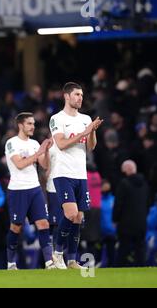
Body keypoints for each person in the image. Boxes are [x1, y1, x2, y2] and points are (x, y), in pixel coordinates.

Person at [49, 82, 103, 269]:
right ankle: (57, 254)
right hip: (63, 173)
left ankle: (72, 260)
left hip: (81, 174)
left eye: (82, 95)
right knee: (70, 214)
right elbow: (61, 144)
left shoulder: (86, 118)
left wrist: (92, 132)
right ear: (66, 96)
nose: (81, 98)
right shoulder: (57, 119)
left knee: (79, 217)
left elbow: (90, 146)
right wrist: (86, 131)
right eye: (77, 94)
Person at [4, 112, 56, 270]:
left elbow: (45, 165)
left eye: (33, 124)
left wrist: (46, 150)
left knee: (43, 223)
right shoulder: (11, 143)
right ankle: (11, 263)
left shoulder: (34, 144)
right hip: (18, 189)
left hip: (34, 188)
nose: (33, 126)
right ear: (21, 125)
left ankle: (49, 262)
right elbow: (19, 164)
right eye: (29, 124)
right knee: (16, 227)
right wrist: (39, 152)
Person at [114, 160, 149, 267]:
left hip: (126, 223)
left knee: (123, 248)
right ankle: (141, 268)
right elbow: (148, 202)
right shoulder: (145, 184)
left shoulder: (124, 184)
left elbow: (118, 204)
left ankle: (120, 269)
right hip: (141, 222)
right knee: (140, 248)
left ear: (127, 170)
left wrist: (115, 219)